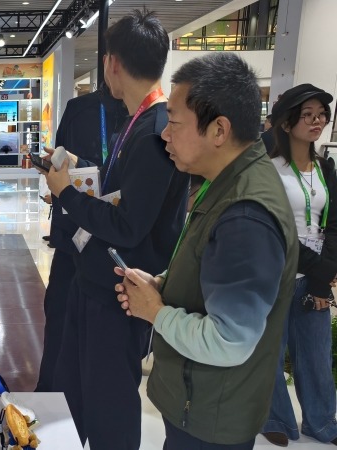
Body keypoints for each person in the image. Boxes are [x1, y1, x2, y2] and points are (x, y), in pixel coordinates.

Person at [114, 53, 298, 449]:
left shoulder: (246, 214)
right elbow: (210, 267)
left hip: (211, 414)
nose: (165, 135)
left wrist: (155, 311)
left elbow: (229, 340)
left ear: (218, 129)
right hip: (199, 403)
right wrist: (163, 284)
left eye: (175, 123)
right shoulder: (226, 181)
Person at [42, 10, 189, 449]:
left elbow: (128, 226)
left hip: (120, 293)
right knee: (75, 390)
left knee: (110, 408)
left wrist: (67, 194)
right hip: (96, 281)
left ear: (113, 63)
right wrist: (79, 175)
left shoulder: (153, 132)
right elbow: (125, 196)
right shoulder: (139, 122)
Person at [34, 83, 127, 392]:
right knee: (63, 320)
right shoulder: (82, 109)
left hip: (114, 244)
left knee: (98, 338)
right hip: (78, 236)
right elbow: (61, 165)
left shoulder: (147, 121)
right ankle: (53, 394)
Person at [261, 84, 337, 447]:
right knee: (271, 353)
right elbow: (276, 226)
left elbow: (333, 223)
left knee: (316, 355)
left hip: (313, 277)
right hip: (275, 273)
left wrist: (323, 274)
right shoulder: (269, 168)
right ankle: (274, 418)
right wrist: (319, 266)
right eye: (307, 114)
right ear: (288, 122)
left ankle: (322, 423)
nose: (316, 121)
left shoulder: (325, 168)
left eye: (321, 114)